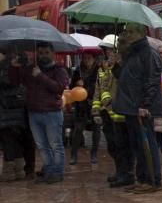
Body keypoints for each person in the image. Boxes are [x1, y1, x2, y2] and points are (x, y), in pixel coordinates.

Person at [113, 25, 162, 193]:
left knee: (147, 144)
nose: (127, 34)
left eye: (131, 31)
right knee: (137, 145)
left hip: (140, 107)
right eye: (125, 31)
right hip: (130, 107)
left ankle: (152, 180)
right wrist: (116, 64)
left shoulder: (149, 53)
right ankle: (141, 178)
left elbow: (152, 80)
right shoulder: (131, 53)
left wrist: (145, 105)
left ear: (141, 33)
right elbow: (124, 77)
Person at [9, 43, 69, 184]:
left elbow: (59, 88)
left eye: (46, 52)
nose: (43, 55)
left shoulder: (59, 70)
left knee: (56, 144)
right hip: (34, 113)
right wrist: (14, 67)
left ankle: (58, 172)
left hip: (52, 113)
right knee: (42, 145)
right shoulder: (32, 69)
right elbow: (15, 81)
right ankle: (48, 171)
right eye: (40, 53)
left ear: (53, 53)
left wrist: (41, 76)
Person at [94, 36, 133, 188]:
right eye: (107, 49)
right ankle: (120, 171)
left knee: (123, 145)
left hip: (119, 112)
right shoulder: (104, 67)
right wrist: (97, 110)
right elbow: (100, 88)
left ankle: (126, 173)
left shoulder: (123, 66)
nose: (108, 52)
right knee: (112, 145)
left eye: (111, 49)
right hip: (107, 111)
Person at [0, 49, 28, 181]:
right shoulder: (20, 66)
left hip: (8, 110)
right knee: (14, 140)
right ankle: (19, 170)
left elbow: (7, 83)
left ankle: (9, 172)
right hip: (16, 109)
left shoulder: (7, 68)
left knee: (8, 140)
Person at [69, 52, 100, 165]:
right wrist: (77, 85)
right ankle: (73, 155)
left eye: (89, 58)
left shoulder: (99, 70)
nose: (86, 60)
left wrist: (85, 86)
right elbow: (71, 87)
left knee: (96, 130)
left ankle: (94, 153)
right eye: (84, 58)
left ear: (94, 58)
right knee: (78, 129)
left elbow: (99, 86)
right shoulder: (78, 71)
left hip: (95, 103)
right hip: (81, 106)